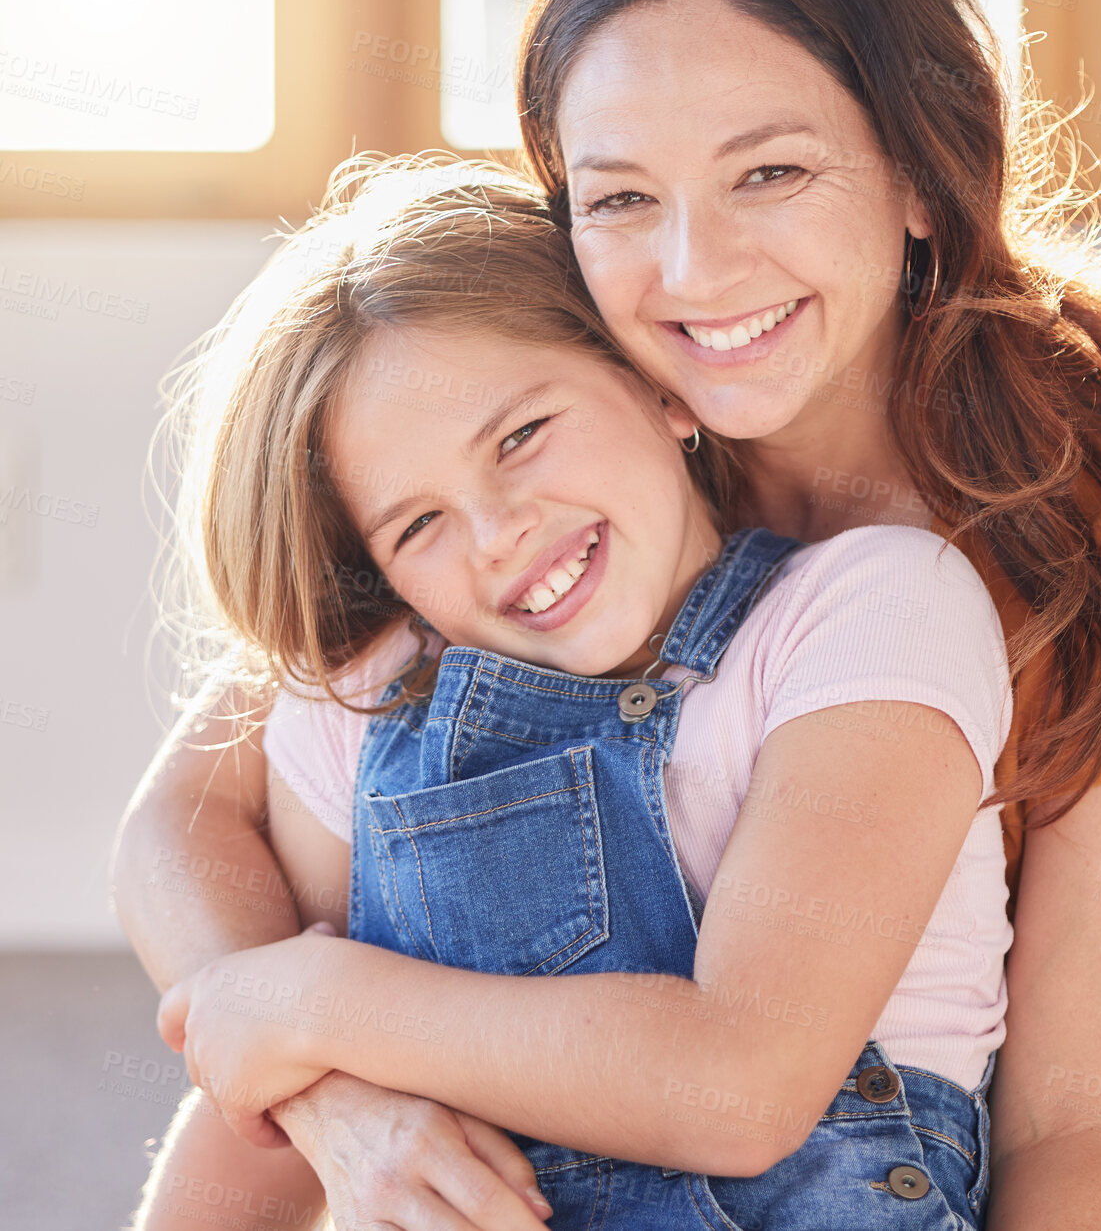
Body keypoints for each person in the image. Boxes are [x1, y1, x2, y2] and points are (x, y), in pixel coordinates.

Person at [113, 0, 1101, 1231]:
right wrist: (328, 1090)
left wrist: (319, 1006)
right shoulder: (557, 440)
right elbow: (184, 820)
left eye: (774, 171)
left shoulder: (1091, 496)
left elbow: (1070, 1118)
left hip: (1074, 1135)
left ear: (918, 177)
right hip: (606, 1102)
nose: (695, 269)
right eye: (623, 197)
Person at [129, 154, 1014, 1229]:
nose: (499, 534)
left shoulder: (870, 605)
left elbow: (739, 1090)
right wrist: (304, 1050)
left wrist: (320, 1002)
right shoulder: (368, 702)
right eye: (418, 525)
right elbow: (256, 1092)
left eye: (520, 435)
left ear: (657, 387)